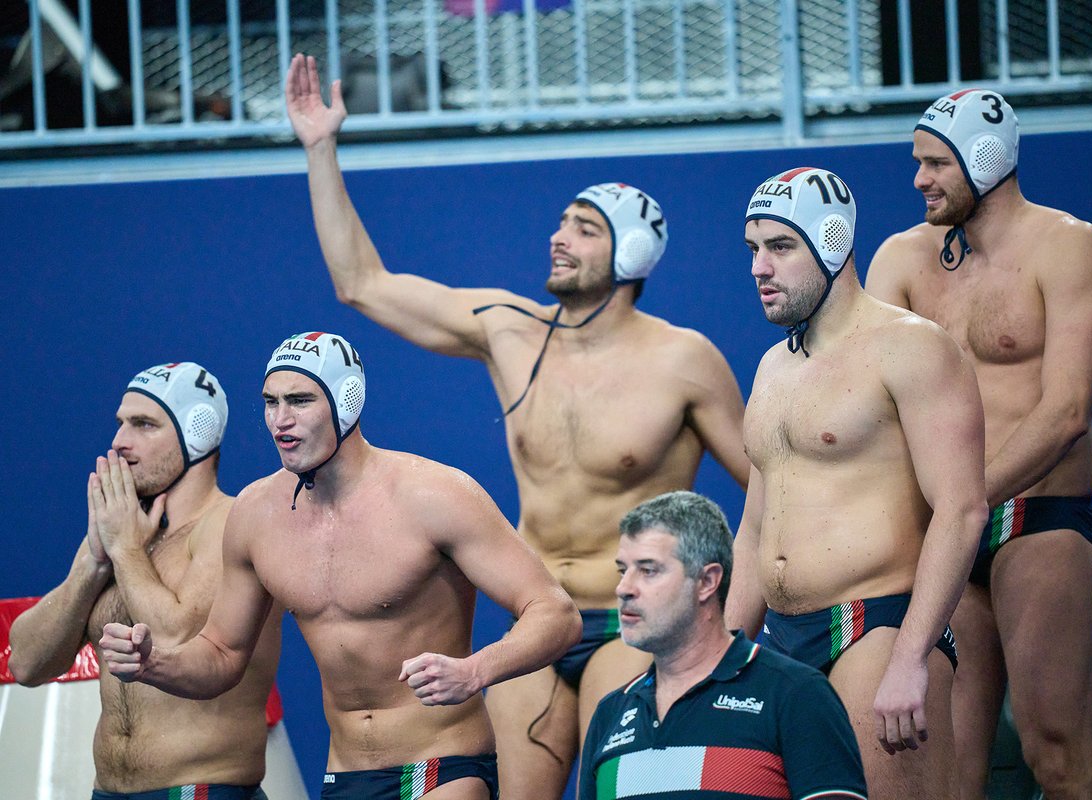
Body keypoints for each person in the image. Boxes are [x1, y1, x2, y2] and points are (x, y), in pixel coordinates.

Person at [284, 53, 751, 797]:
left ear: (631, 254)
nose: (561, 236)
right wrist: (319, 149)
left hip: (638, 623)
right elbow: (363, 285)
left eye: (587, 228)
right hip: (540, 616)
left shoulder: (682, 361)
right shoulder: (510, 331)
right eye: (563, 221)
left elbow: (770, 482)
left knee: (621, 790)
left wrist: (737, 611)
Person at [97, 332, 582, 800]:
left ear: (346, 401)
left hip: (440, 762)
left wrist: (475, 672)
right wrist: (154, 664)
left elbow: (555, 614)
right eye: (270, 402)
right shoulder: (256, 515)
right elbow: (221, 655)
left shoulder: (434, 496)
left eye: (300, 401)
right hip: (345, 774)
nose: (280, 420)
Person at [866, 89, 1092, 799]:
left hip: (1038, 517)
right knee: (948, 772)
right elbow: (862, 387)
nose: (919, 180)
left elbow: (1067, 410)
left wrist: (965, 502)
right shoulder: (903, 259)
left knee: (1055, 750)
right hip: (946, 531)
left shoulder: (1070, 247)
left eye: (935, 164)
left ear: (987, 160)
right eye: (917, 163)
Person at [727, 167, 988, 798]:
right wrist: (723, 652)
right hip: (781, 638)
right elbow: (755, 527)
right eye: (753, 249)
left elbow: (962, 511)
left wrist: (910, 659)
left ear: (835, 241)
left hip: (874, 627)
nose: (760, 267)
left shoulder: (911, 347)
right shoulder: (771, 366)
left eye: (781, 247)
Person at [9, 362, 283, 799]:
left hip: (202, 789)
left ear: (197, 432)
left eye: (142, 425)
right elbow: (25, 663)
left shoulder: (232, 523)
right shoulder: (126, 533)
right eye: (120, 423)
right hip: (108, 791)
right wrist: (92, 565)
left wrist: (124, 551)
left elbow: (177, 640)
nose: (119, 442)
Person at [579, 490, 868, 800]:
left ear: (707, 582)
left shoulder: (795, 692)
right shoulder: (609, 713)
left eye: (648, 570)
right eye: (623, 571)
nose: (623, 589)